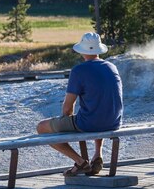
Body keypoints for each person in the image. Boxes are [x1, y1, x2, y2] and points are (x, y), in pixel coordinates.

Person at [36, 32, 123, 176]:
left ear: (82, 50)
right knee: (97, 111)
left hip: (90, 123)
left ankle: (81, 162)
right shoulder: (111, 67)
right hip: (114, 122)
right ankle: (97, 154)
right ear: (99, 49)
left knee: (42, 128)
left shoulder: (79, 70)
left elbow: (68, 107)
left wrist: (66, 119)